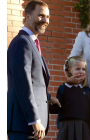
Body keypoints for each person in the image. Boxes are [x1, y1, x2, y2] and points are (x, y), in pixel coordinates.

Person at [7, 0, 61, 140]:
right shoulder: (22, 42)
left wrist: (48, 98)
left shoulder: (32, 42)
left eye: (48, 17)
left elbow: (34, 82)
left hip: (29, 127)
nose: (45, 20)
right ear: (28, 16)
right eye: (41, 15)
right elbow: (22, 83)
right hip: (23, 124)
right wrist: (34, 120)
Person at [49, 56, 90, 140]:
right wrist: (47, 103)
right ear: (69, 70)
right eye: (77, 69)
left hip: (84, 128)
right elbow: (57, 108)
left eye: (83, 69)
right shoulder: (63, 88)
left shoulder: (87, 90)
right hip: (66, 127)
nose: (81, 71)